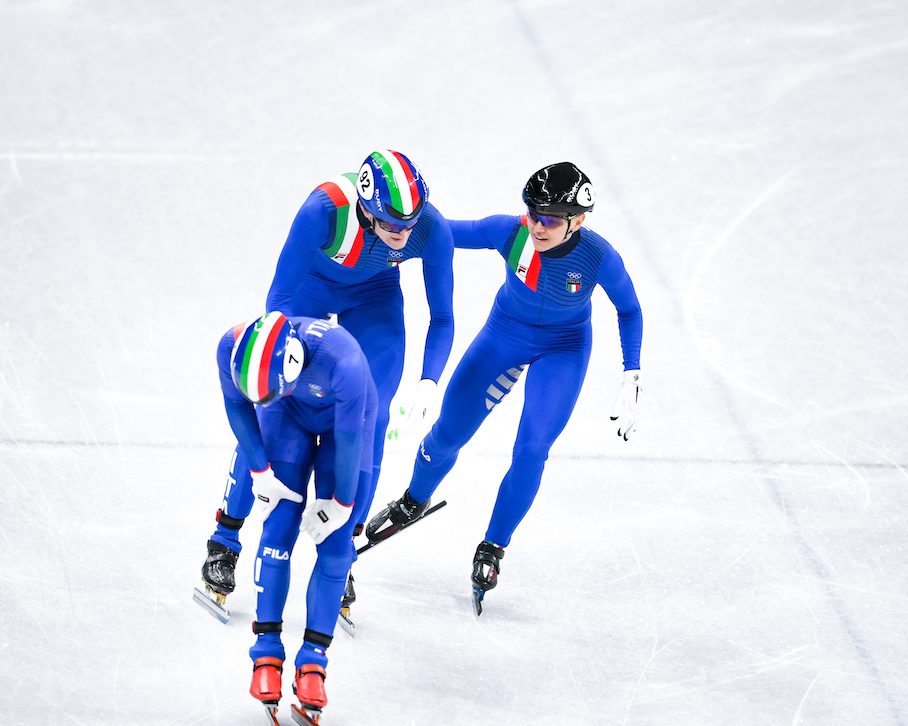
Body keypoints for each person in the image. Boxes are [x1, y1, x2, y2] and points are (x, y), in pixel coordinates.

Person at [365, 161, 644, 614]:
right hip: (504, 335)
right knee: (446, 434)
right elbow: (439, 234)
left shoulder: (597, 256)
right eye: (532, 212)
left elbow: (629, 309)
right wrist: (383, 228)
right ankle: (413, 500)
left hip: (564, 349)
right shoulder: (510, 232)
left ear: (579, 220)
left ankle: (493, 546)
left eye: (550, 218)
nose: (537, 224)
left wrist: (631, 371)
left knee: (532, 449)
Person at [199, 149, 456, 620]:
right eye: (389, 223)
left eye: (411, 223)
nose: (403, 233)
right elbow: (277, 300)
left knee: (372, 416)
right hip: (308, 292)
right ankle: (226, 537)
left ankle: (343, 548)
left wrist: (429, 381)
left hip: (375, 295)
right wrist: (276, 358)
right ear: (364, 206)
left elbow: (442, 316)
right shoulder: (323, 210)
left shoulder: (428, 227)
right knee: (273, 403)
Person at [215, 312, 376, 721]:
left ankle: (313, 662)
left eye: (266, 394)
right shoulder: (230, 345)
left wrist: (340, 505)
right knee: (279, 528)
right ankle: (265, 653)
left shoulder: (346, 363)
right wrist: (259, 471)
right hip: (286, 417)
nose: (259, 401)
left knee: (337, 548)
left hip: (347, 425)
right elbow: (238, 409)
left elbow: (352, 438)